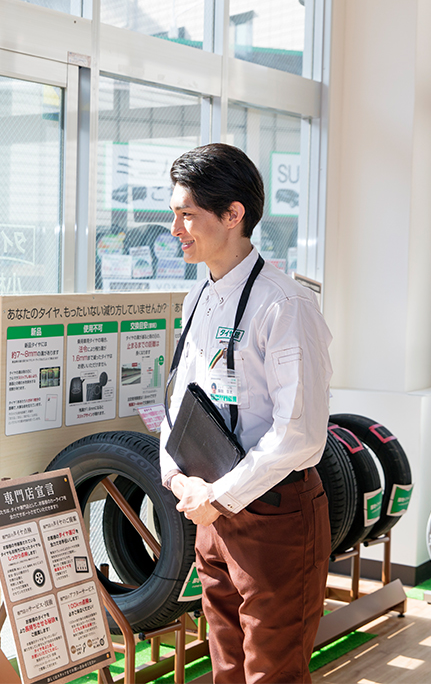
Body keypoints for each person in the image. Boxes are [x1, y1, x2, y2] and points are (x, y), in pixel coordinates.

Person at [160, 144, 333, 683]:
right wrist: (178, 477)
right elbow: (178, 395)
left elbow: (300, 434)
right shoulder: (198, 297)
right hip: (210, 510)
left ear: (233, 215)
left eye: (187, 214)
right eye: (174, 213)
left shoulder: (286, 304)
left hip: (274, 512)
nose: (175, 228)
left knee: (271, 673)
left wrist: (219, 496)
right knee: (227, 666)